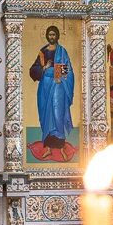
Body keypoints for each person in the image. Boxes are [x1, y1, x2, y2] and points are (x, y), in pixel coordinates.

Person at [29, 25, 74, 161]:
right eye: (50, 35)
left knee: (57, 114)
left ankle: (60, 147)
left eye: (54, 34)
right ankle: (48, 148)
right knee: (46, 115)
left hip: (58, 85)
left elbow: (68, 69)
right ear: (47, 36)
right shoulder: (42, 52)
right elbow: (33, 70)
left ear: (58, 36)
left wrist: (58, 75)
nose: (52, 37)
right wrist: (44, 67)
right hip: (45, 86)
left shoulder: (62, 51)